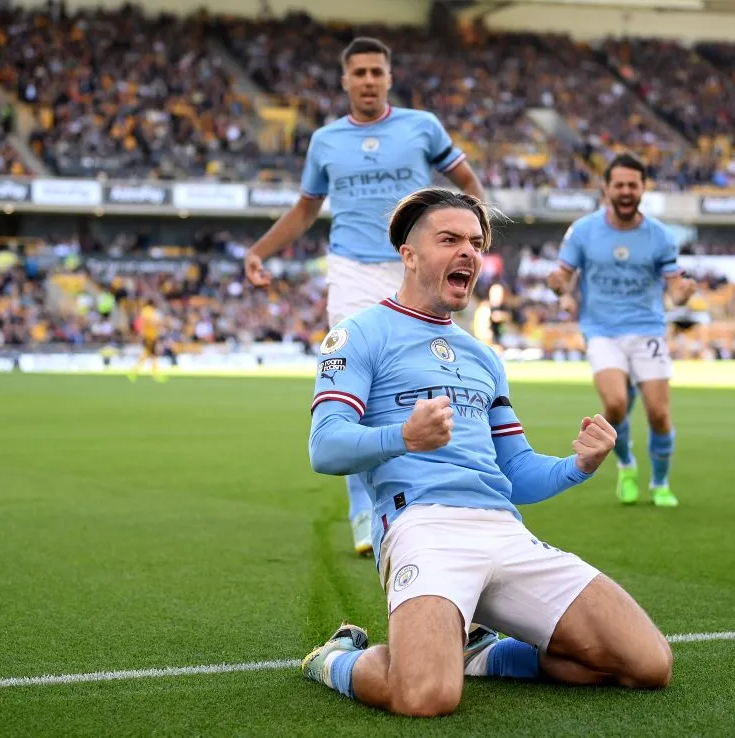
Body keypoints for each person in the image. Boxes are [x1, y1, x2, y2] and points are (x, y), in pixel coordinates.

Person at [301, 188, 673, 717]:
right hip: (422, 527)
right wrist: (401, 438)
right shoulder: (358, 334)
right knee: (426, 695)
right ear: (408, 255)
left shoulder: (484, 357)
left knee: (645, 664)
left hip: (504, 530)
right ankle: (335, 658)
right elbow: (325, 447)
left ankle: (482, 653)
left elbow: (516, 471)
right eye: (449, 239)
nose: (468, 253)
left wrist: (578, 466)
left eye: (475, 243)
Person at [243, 37, 485, 556]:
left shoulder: (422, 126)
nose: (369, 80)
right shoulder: (326, 140)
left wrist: (473, 230)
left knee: (430, 373)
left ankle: (444, 487)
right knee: (354, 380)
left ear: (389, 78)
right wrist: (260, 251)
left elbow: (464, 179)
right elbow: (305, 210)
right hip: (351, 268)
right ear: (345, 80)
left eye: (377, 71)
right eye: (360, 73)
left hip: (414, 260)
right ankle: (362, 511)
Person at [546, 154, 696, 508]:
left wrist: (682, 292)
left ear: (643, 188)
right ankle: (626, 465)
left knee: (658, 414)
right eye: (620, 185)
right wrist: (557, 285)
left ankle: (659, 482)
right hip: (602, 330)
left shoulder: (660, 235)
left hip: (647, 329)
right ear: (607, 188)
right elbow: (563, 278)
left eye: (633, 184)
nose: (626, 191)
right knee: (614, 405)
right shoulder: (583, 230)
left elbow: (674, 286)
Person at [129, 300, 166, 383]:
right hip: (150, 336)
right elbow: (151, 322)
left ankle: (136, 371)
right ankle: (153, 373)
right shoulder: (148, 311)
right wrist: (158, 325)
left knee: (149, 354)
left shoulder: (145, 311)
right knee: (151, 354)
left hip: (149, 335)